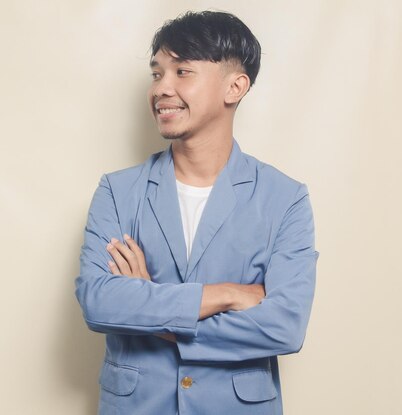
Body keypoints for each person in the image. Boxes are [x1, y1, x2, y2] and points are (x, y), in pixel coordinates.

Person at [74, 10, 319, 415]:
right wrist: (226, 295)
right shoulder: (118, 191)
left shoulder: (285, 198)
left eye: (182, 71)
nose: (161, 89)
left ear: (235, 87)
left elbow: (284, 327)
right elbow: (98, 302)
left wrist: (151, 307)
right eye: (157, 74)